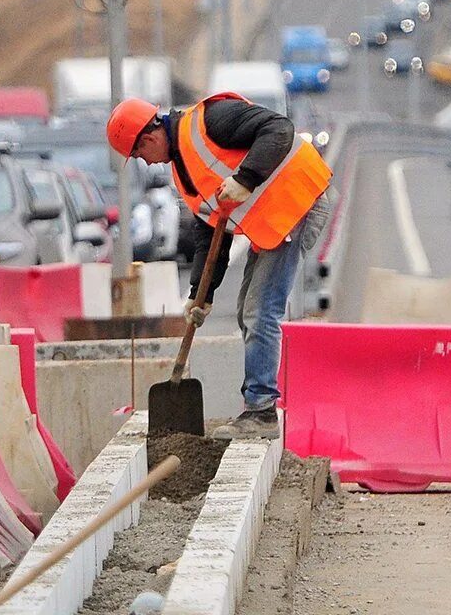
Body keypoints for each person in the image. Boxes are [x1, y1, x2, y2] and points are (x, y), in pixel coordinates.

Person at [107, 94, 332, 440]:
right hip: (272, 221)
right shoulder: (183, 169)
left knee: (261, 311)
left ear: (149, 138)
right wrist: (201, 293)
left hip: (297, 202)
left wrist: (245, 179)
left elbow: (279, 129)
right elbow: (210, 231)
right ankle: (257, 405)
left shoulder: (212, 120)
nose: (146, 162)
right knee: (246, 310)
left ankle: (260, 412)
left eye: (139, 154)